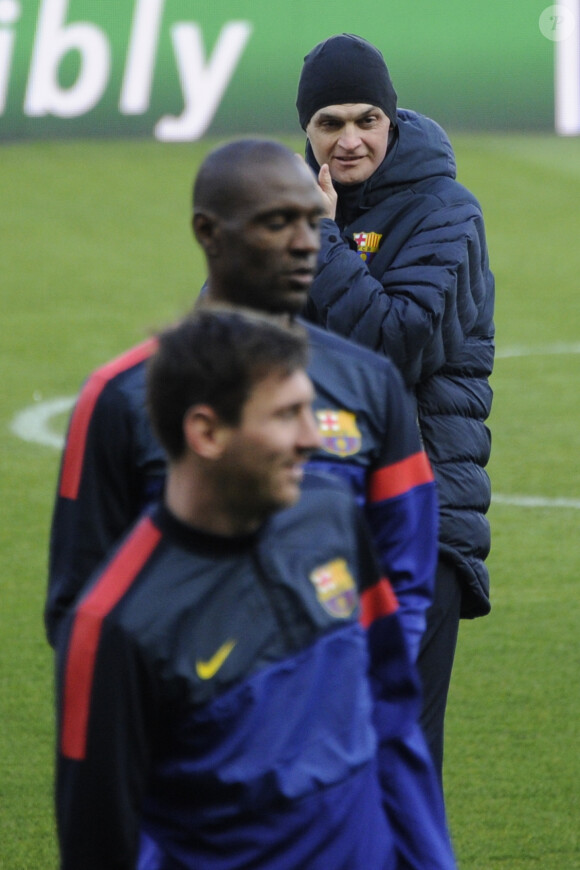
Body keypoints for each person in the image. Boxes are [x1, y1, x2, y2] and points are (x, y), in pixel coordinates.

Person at [55, 307, 456, 869]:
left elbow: (392, 718)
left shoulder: (334, 519)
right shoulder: (116, 627)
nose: (314, 438)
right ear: (206, 432)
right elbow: (99, 846)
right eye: (287, 415)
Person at [46, 140, 438, 667]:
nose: (306, 244)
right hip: (190, 737)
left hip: (336, 739)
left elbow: (406, 576)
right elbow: (79, 601)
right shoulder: (119, 395)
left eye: (310, 222)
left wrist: (365, 699)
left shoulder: (371, 383)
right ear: (208, 233)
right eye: (278, 223)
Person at [295, 33, 495, 777]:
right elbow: (227, 341)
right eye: (329, 124)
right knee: (317, 760)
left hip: (418, 524)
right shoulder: (294, 206)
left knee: (393, 763)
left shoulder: (447, 212)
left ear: (392, 118)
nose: (350, 140)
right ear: (307, 130)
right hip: (311, 527)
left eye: (366, 118)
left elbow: (399, 344)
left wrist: (316, 237)